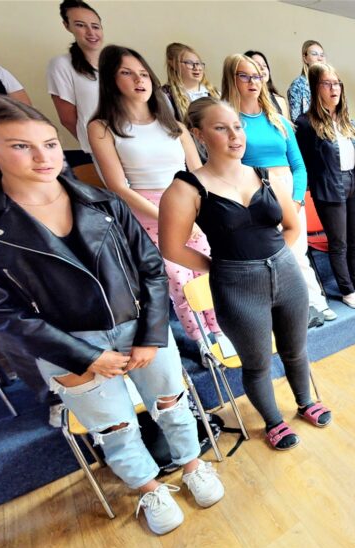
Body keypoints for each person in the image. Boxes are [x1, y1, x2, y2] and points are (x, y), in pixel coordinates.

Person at [0, 95, 224, 535]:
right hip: (67, 346)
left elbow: (151, 268)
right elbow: (1, 313)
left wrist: (151, 334)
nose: (43, 157)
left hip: (139, 326)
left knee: (173, 402)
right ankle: (148, 487)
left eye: (50, 144)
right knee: (115, 427)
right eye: (21, 146)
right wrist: (86, 356)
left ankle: (193, 464)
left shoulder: (102, 200)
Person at [160, 97, 333, 451]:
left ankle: (305, 402)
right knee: (256, 363)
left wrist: (278, 260)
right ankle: (273, 421)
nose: (234, 135)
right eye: (221, 128)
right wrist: (220, 268)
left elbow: (291, 226)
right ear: (199, 134)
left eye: (237, 127)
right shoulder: (187, 188)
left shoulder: (265, 175)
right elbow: (172, 247)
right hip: (236, 286)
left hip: (286, 274)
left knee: (296, 350)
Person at [87, 45, 219, 343]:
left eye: (144, 73)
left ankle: (220, 330)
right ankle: (201, 339)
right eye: (127, 73)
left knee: (210, 271)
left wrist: (202, 213)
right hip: (148, 214)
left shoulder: (175, 126)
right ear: (111, 80)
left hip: (190, 206)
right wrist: (170, 218)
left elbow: (199, 173)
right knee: (178, 280)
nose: (139, 80)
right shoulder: (102, 127)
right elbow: (118, 187)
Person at [221, 54, 335, 326]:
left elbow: (299, 166)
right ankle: (283, 312)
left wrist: (296, 200)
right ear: (232, 79)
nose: (253, 82)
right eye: (244, 76)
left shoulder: (279, 121)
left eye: (257, 76)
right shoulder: (231, 123)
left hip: (289, 191)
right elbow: (229, 166)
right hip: (256, 195)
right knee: (270, 258)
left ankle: (314, 302)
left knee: (297, 253)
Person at [296, 63, 355, 310]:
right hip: (329, 187)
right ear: (316, 87)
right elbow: (303, 162)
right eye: (327, 84)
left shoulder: (346, 121)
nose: (334, 89)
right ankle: (347, 290)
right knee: (338, 242)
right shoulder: (306, 123)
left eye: (337, 83)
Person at [47, 0, 103, 156]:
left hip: (138, 143)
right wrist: (96, 145)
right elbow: (67, 119)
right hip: (102, 148)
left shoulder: (117, 62)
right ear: (67, 26)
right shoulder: (61, 64)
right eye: (80, 25)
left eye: (95, 26)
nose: (91, 32)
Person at [162, 42, 218, 123]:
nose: (197, 68)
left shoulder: (214, 93)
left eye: (198, 63)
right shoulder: (165, 96)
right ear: (173, 64)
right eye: (189, 63)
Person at [287, 40, 325, 122]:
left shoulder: (330, 83)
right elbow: (296, 120)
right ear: (305, 58)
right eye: (314, 54)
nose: (320, 58)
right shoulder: (297, 85)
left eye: (322, 55)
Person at [242, 50, 288, 116]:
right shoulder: (242, 100)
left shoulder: (280, 100)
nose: (262, 68)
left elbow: (285, 122)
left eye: (264, 65)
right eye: (257, 65)